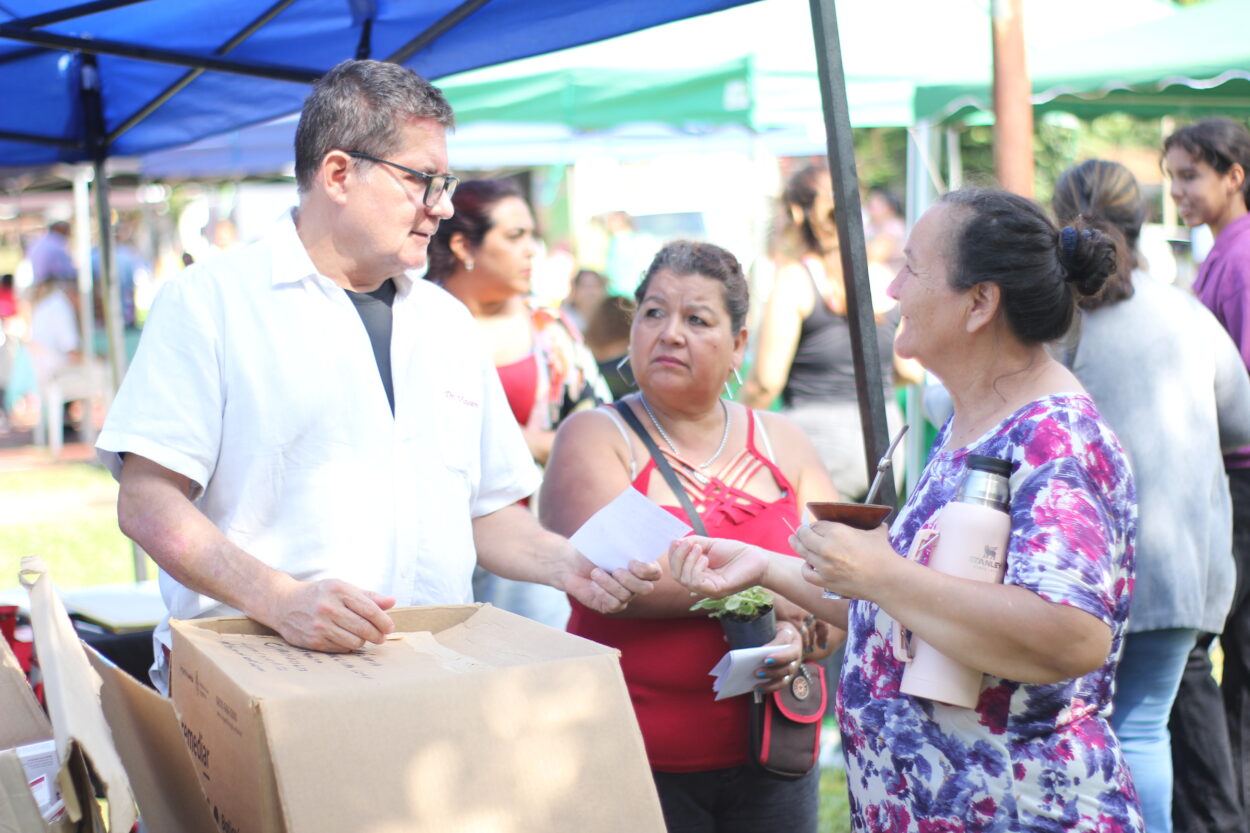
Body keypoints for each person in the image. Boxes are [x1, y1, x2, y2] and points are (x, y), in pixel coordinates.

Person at [95, 59, 658, 693]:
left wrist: (568, 564)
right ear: (338, 173)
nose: (441, 207)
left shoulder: (445, 321)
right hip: (259, 684)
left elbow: (487, 509)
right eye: (423, 180)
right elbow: (147, 503)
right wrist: (280, 600)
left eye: (445, 182)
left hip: (431, 684)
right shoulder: (211, 301)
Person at [671, 188, 1144, 831]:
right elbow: (910, 614)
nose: (891, 289)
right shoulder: (970, 422)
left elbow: (1073, 634)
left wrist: (882, 573)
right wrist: (762, 566)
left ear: (980, 303)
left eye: (913, 268)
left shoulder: (1055, 440)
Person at [540, 240, 841, 833]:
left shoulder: (786, 442)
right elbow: (623, 579)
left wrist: (798, 636)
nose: (670, 333)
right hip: (633, 757)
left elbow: (839, 591)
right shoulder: (595, 436)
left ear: (739, 347)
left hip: (771, 756)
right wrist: (780, 587)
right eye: (654, 312)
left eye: (697, 319)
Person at [1052, 159, 1250, 833]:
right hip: (1183, 567)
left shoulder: (1053, 324)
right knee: (1143, 728)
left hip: (1080, 572)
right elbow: (1243, 419)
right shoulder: (1186, 312)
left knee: (1084, 731)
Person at [425, 178, 610, 627]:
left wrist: (521, 440)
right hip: (436, 542)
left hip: (531, 538)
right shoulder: (415, 320)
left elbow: (597, 429)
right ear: (463, 246)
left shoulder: (549, 327)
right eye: (514, 237)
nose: (532, 251)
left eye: (533, 236)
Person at [1163, 117, 1250, 831]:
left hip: (1241, 483)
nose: (1179, 191)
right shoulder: (1221, 253)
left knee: (1212, 653)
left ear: (1233, 175)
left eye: (1190, 176)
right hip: (1227, 482)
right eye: (1172, 178)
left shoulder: (1241, 258)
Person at [740, 166, 914, 500]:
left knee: (811, 547)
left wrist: (731, 430)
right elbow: (908, 368)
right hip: (888, 439)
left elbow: (765, 382)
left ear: (793, 213)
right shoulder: (882, 276)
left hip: (816, 440)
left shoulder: (796, 279)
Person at [561, 267, 608, 333]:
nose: (590, 291)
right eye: (584, 286)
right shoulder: (562, 319)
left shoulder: (610, 321)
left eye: (595, 286)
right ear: (573, 290)